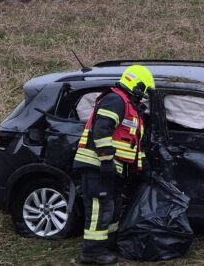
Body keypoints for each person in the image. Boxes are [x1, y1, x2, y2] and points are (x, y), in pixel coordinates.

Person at [73, 65, 153, 265]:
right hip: (97, 165)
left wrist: (143, 166)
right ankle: (92, 252)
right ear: (136, 85)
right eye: (143, 89)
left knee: (114, 207)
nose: (144, 95)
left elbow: (133, 143)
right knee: (100, 208)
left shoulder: (130, 108)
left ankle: (107, 244)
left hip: (112, 168)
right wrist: (106, 160)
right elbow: (101, 130)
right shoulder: (115, 100)